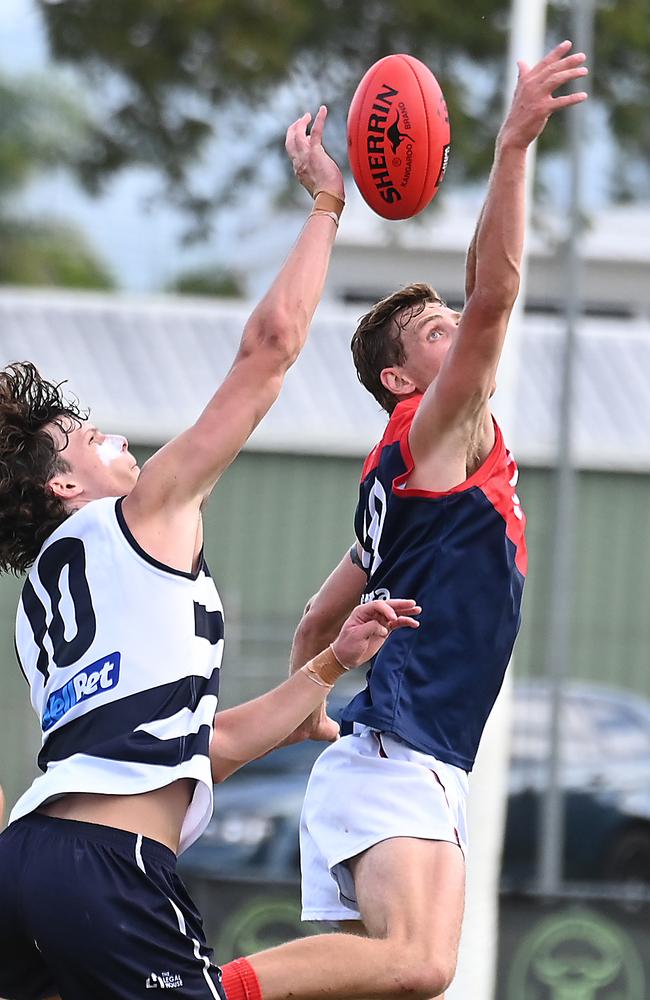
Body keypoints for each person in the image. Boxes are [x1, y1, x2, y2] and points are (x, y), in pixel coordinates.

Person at [0, 107, 422, 1000]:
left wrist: (323, 674)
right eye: (83, 436)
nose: (110, 434)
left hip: (27, 862)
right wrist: (325, 208)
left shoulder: (43, 604)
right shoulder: (144, 513)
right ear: (63, 488)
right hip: (107, 871)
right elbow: (269, 351)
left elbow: (201, 746)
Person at [216, 41, 589, 1000]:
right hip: (400, 757)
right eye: (436, 334)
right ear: (400, 379)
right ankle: (195, 988)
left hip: (384, 759)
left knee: (392, 984)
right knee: (422, 965)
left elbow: (311, 625)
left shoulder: (402, 476)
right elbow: (500, 294)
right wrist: (512, 146)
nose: (458, 330)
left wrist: (312, 719)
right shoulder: (431, 434)